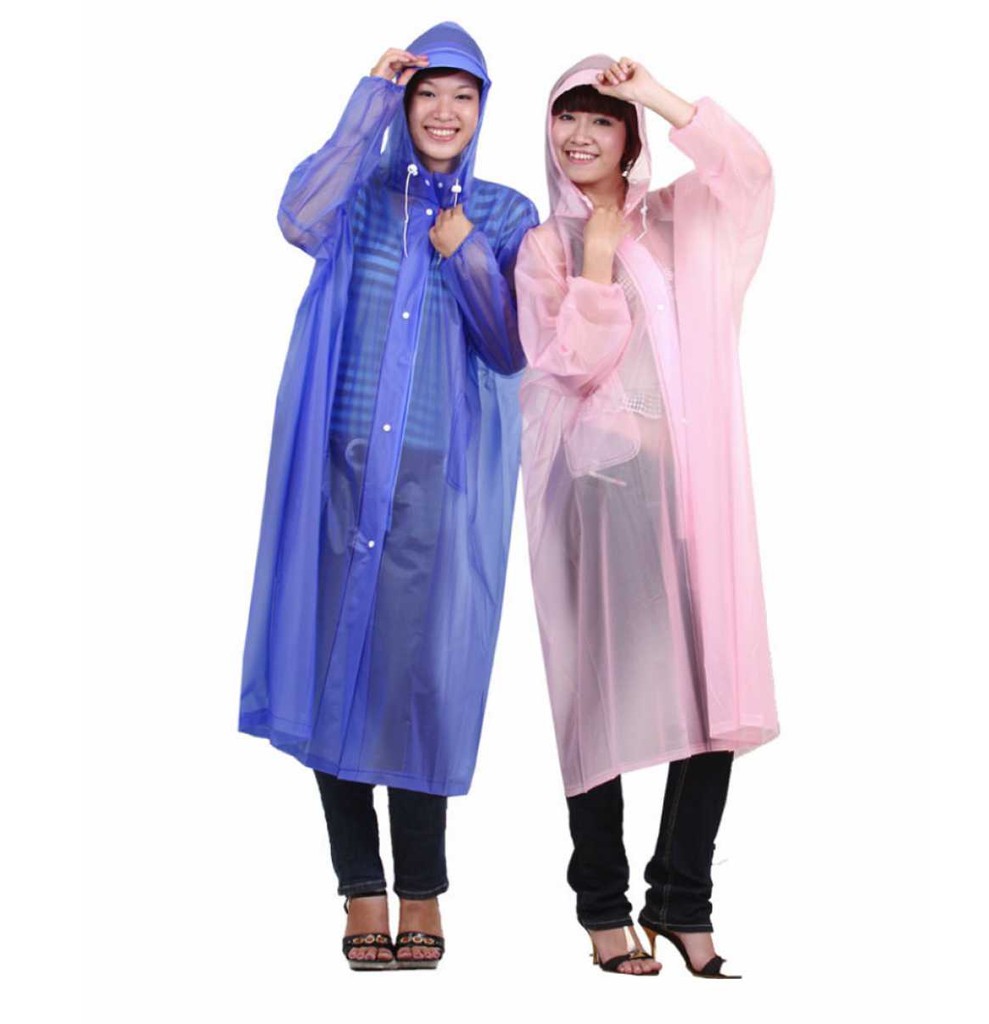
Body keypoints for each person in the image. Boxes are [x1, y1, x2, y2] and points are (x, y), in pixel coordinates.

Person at [239, 22, 538, 970]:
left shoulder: (504, 211)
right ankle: (359, 887)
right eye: (426, 95)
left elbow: (509, 347)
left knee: (416, 683)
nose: (444, 113)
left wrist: (466, 252)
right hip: (339, 465)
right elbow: (296, 215)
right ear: (404, 107)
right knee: (330, 670)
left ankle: (422, 890)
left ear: (483, 110)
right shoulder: (360, 197)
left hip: (430, 476)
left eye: (463, 97)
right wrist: (366, 97)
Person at [516, 56, 780, 976]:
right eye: (568, 117)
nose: (580, 136)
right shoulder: (546, 247)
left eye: (603, 119)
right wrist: (595, 258)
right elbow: (565, 367)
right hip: (606, 498)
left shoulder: (678, 219)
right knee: (599, 694)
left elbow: (748, 170)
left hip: (700, 494)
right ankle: (601, 903)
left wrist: (659, 95)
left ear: (631, 138)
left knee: (716, 691)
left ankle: (681, 898)